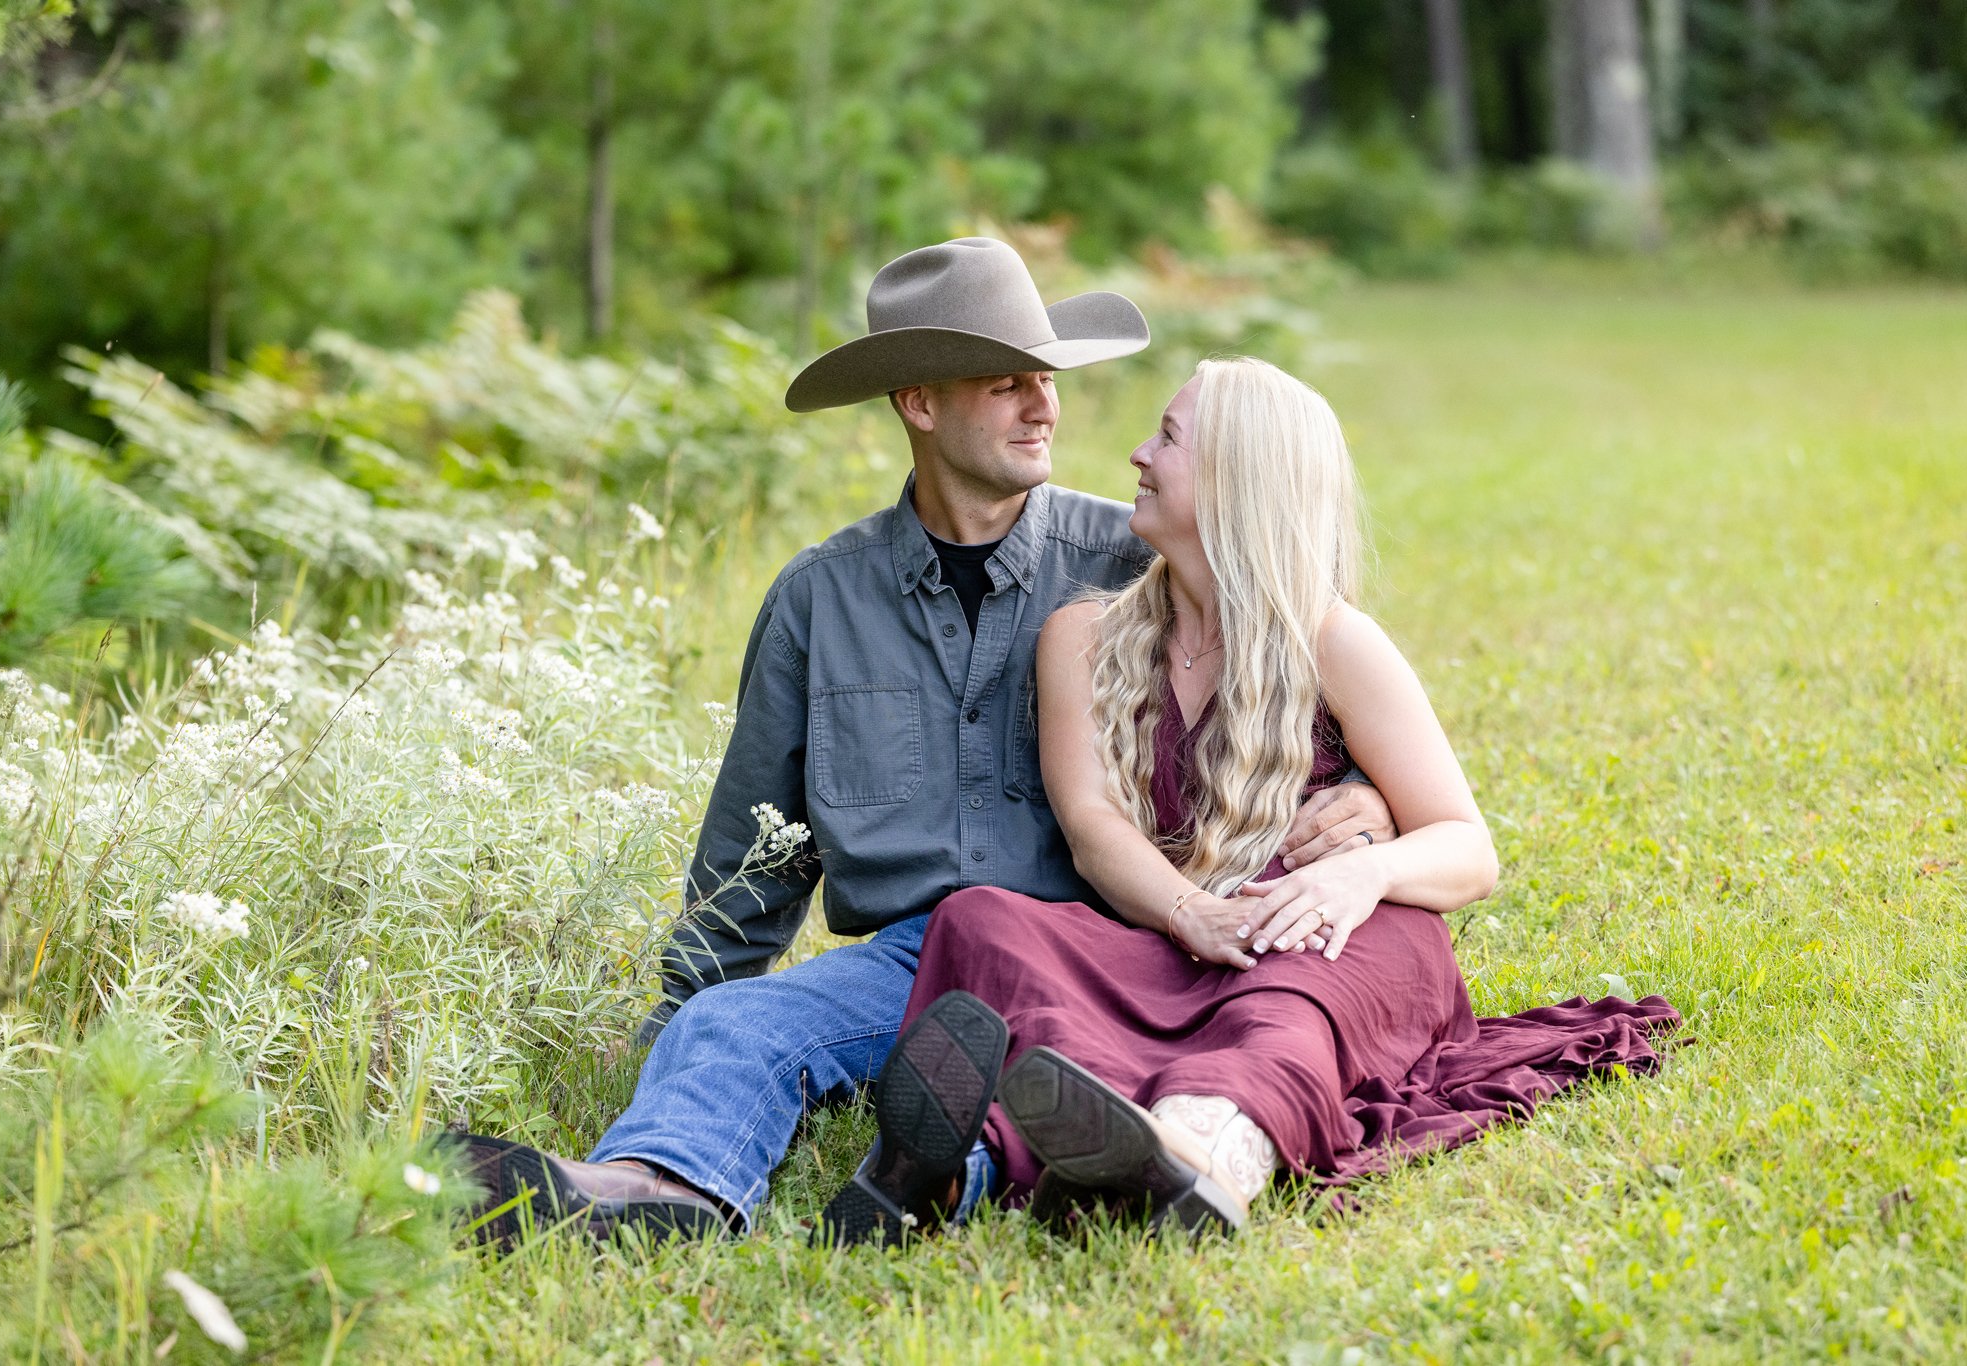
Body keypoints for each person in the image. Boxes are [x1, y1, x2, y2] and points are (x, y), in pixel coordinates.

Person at [452, 241, 1397, 1244]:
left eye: (1046, 380)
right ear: (916, 403)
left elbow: (1306, 670)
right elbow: (752, 852)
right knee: (732, 1024)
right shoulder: (819, 599)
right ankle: (659, 1192)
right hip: (913, 965)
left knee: (1046, 1073)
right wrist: (681, 1020)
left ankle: (958, 1159)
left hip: (1100, 944)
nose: (1045, 408)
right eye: (1006, 385)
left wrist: (1372, 805)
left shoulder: (1131, 556)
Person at [822, 357, 1680, 1243]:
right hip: (1174, 934)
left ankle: (1202, 1157)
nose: (1135, 455)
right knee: (984, 921)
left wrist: (1365, 874)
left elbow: (1468, 846)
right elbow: (1091, 825)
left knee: (1288, 996)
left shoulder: (1333, 640)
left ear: (1236, 477)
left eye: (1166, 438)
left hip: (1326, 937)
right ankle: (963, 1167)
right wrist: (1190, 914)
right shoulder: (1081, 636)